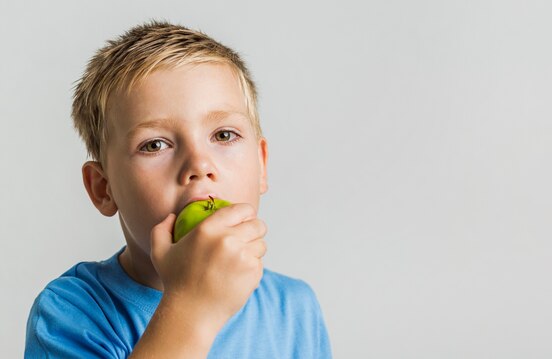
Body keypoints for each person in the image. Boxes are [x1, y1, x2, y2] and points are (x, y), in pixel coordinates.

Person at [25, 20, 332, 358]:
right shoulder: (70, 315)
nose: (199, 165)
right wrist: (192, 306)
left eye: (223, 135)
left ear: (261, 164)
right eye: (155, 144)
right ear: (103, 188)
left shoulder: (295, 309)